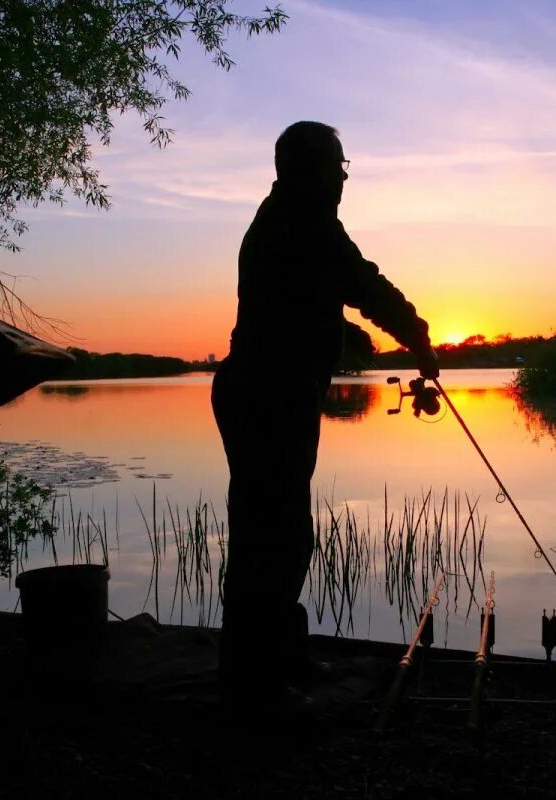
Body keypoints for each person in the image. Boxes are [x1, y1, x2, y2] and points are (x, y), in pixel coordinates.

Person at [212, 121, 439, 709]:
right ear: (309, 167)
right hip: (267, 394)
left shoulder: (285, 220)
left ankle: (269, 662)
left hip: (263, 389)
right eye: (337, 164)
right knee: (277, 536)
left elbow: (290, 301)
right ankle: (258, 682)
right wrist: (417, 338)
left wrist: (341, 329)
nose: (343, 175)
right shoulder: (307, 221)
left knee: (273, 533)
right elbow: (364, 283)